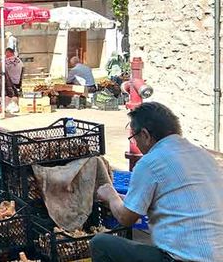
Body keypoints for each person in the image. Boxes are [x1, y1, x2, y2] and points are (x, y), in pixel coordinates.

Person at [91, 102, 223, 262]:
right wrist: (122, 199)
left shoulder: (150, 162)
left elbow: (126, 219)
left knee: (101, 243)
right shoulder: (204, 156)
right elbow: (171, 205)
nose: (136, 144)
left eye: (134, 138)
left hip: (182, 258)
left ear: (145, 135)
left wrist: (111, 195)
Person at [0, 47, 23, 113]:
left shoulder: (9, 60)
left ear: (9, 53)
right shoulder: (18, 60)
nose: (5, 55)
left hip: (12, 82)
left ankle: (1, 100)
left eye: (6, 53)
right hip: (18, 81)